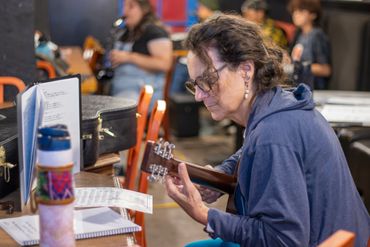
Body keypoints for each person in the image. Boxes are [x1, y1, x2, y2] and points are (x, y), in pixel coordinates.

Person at [164, 14, 370, 247]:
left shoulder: (273, 135)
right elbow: (249, 153)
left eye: (207, 80)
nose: (199, 95)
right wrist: (220, 176)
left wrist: (205, 214)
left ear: (246, 71)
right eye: (195, 84)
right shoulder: (277, 103)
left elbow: (283, 240)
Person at [109, 0, 172, 109]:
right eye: (125, 6)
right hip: (120, 89)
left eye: (131, 6)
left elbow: (164, 64)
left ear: (144, 9)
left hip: (142, 93)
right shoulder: (126, 32)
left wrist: (129, 57)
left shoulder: (154, 32)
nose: (125, 11)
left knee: (117, 111)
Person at [288, 0, 331, 90]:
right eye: (294, 11)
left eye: (301, 11)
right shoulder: (298, 35)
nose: (296, 15)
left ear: (313, 15)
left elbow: (325, 70)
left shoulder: (316, 35)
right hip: (299, 88)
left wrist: (298, 68)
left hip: (314, 89)